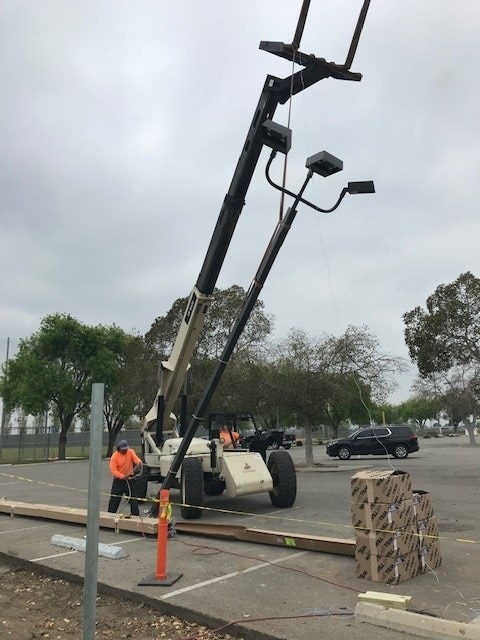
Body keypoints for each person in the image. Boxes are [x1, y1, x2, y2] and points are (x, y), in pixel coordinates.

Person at [107, 439, 143, 516]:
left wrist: (138, 463)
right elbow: (113, 470)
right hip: (119, 481)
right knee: (114, 499)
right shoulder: (115, 456)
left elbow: (136, 459)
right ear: (119, 449)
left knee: (133, 499)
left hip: (130, 480)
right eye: (123, 450)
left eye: (126, 449)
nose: (125, 451)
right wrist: (122, 476)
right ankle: (110, 516)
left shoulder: (130, 452)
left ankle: (135, 516)